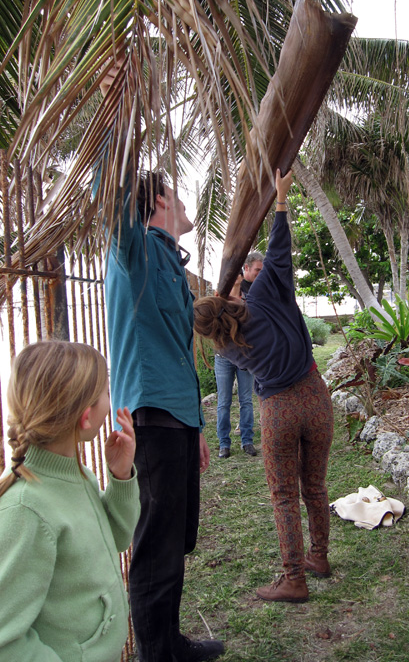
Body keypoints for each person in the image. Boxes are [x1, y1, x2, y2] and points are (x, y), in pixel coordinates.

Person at [193, 169, 334, 603]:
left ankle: (294, 578)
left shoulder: (226, 349)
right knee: (315, 485)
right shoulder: (267, 296)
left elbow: (238, 308)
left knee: (283, 496)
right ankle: (321, 557)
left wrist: (230, 293)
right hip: (314, 395)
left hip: (278, 410)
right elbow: (278, 254)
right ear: (233, 295)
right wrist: (281, 201)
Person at [104, 167, 224, 662]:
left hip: (175, 417)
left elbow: (177, 349)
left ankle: (169, 642)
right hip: (149, 419)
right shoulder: (133, 251)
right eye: (173, 190)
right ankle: (155, 654)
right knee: (155, 545)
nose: (182, 199)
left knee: (176, 539)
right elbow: (109, 188)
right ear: (154, 201)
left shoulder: (168, 259)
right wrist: (117, 102)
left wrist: (195, 423)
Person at [0, 340, 140, 662]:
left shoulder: (76, 474)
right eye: (106, 390)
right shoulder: (26, 510)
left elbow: (118, 538)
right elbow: (5, 642)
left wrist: (120, 477)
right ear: (86, 417)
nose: (112, 398)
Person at [216, 271, 257, 458]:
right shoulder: (218, 300)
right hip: (223, 357)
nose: (234, 278)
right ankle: (224, 443)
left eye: (237, 274)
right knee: (224, 403)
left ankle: (247, 440)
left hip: (244, 355)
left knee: (246, 400)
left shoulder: (248, 299)